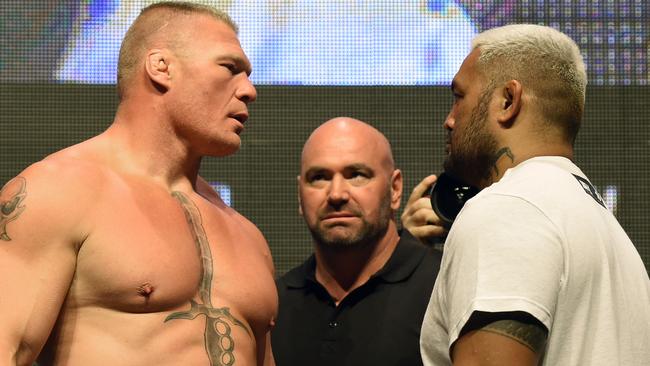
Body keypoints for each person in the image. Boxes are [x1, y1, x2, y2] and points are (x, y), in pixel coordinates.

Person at [0, 2, 278, 365]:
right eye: (230, 68)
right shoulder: (58, 191)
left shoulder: (248, 237)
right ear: (161, 67)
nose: (249, 91)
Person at [419, 24, 650, 365]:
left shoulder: (507, 210)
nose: (449, 120)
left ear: (508, 101)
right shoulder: (605, 229)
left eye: (459, 97)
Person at [271, 117, 443, 366]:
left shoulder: (444, 285)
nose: (337, 194)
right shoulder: (273, 306)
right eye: (319, 177)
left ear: (395, 190)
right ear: (300, 194)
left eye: (357, 175)